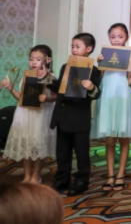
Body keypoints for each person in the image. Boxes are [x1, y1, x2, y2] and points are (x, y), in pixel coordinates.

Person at [40, 33, 102, 196]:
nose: (74, 49)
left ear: (88, 49)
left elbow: (96, 94)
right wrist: (45, 77)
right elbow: (58, 88)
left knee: (81, 152)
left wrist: (91, 87)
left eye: (77, 46)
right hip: (63, 115)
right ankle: (62, 178)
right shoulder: (65, 67)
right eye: (72, 46)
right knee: (62, 152)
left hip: (80, 118)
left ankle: (82, 180)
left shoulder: (94, 70)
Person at [91, 24, 131, 191]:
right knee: (110, 138)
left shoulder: (130, 55)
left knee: (123, 137)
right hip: (107, 96)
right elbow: (100, 78)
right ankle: (110, 174)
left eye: (120, 36)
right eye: (113, 37)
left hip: (123, 96)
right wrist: (99, 63)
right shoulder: (105, 54)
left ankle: (120, 174)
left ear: (126, 37)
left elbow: (129, 80)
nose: (116, 40)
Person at [1, 45, 57, 184]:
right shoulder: (26, 76)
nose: (33, 62)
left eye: (38, 59)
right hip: (25, 114)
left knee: (38, 146)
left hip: (41, 116)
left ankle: (36, 175)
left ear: (48, 60)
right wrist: (10, 88)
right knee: (26, 145)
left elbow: (56, 96)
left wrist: (48, 99)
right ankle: (27, 176)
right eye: (31, 59)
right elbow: (20, 98)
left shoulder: (51, 77)